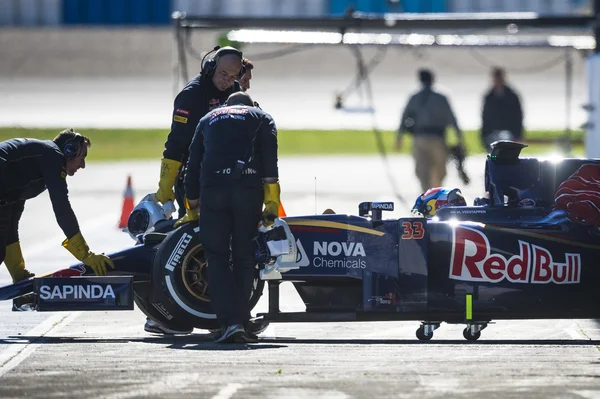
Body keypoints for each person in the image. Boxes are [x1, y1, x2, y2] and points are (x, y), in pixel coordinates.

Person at [146, 46, 244, 335]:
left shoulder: (234, 91)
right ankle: (161, 314)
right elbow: (175, 146)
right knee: (194, 245)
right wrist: (164, 190)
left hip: (226, 180)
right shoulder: (190, 97)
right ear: (210, 67)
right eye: (223, 74)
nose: (227, 81)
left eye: (233, 76)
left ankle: (218, 313)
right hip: (193, 181)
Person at [185, 91, 280, 343]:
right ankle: (242, 321)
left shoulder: (207, 118)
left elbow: (192, 164)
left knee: (216, 257)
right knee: (243, 254)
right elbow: (270, 164)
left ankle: (229, 323)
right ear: (252, 105)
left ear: (226, 106)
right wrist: (272, 201)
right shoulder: (262, 117)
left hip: (213, 190)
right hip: (247, 190)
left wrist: (192, 204)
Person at [0, 129, 115, 309]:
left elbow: (9, 227)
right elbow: (62, 208)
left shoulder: (26, 172)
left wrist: (19, 275)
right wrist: (86, 255)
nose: (83, 165)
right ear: (70, 150)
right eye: (82, 157)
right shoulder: (52, 155)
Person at [397, 69, 465, 192]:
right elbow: (452, 118)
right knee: (437, 170)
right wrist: (459, 137)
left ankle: (427, 193)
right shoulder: (440, 98)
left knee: (423, 170)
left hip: (421, 139)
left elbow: (404, 118)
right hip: (436, 139)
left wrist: (399, 138)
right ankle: (434, 194)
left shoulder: (415, 97)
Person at [481, 67, 524, 152]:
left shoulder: (512, 96)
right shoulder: (489, 97)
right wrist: (484, 135)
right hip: (493, 133)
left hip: (509, 132)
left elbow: (518, 115)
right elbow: (485, 117)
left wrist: (518, 134)